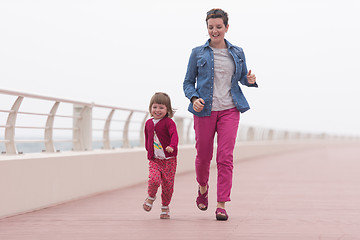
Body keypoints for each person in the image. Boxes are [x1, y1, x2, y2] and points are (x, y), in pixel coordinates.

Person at [183, 8, 258, 221]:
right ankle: (203, 187)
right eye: (210, 27)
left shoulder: (237, 52)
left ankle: (221, 204)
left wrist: (249, 80)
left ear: (226, 27)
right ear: (207, 28)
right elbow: (188, 82)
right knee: (203, 156)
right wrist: (194, 99)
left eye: (218, 27)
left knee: (225, 157)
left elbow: (242, 78)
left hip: (230, 109)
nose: (214, 31)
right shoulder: (197, 53)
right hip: (204, 111)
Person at [142, 92, 179, 219]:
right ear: (150, 108)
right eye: (155, 107)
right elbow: (147, 138)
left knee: (168, 186)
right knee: (154, 179)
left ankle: (165, 206)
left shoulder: (169, 123)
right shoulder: (148, 123)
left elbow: (174, 135)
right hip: (155, 160)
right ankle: (151, 197)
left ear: (167, 110)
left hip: (169, 160)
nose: (157, 110)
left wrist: (172, 146)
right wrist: (148, 150)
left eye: (161, 108)